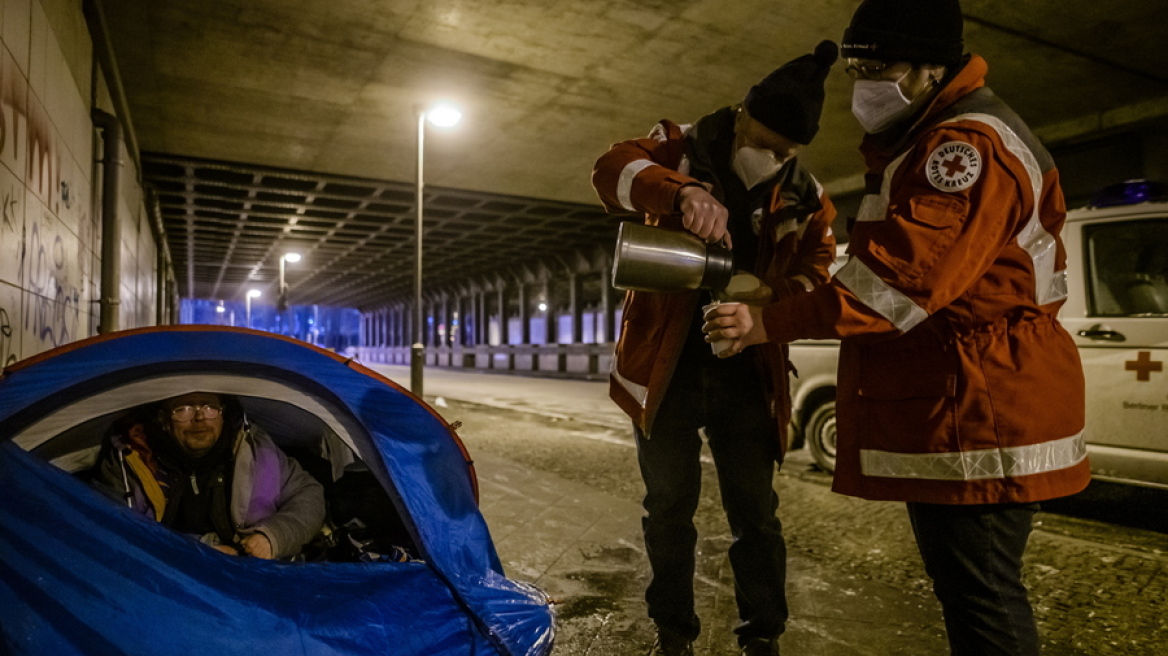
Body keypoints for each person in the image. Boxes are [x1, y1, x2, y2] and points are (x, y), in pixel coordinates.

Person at [702, 1, 1091, 654]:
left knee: (984, 598)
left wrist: (769, 322)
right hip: (964, 401)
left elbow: (893, 286)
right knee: (971, 592)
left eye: (878, 68)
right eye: (857, 68)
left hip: (982, 408)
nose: (864, 86)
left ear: (931, 68)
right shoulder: (928, 139)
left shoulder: (964, 150)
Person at [592, 42, 839, 656]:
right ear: (744, 115)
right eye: (770, 143)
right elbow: (611, 167)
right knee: (668, 508)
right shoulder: (677, 146)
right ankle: (672, 632)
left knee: (756, 515)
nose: (777, 159)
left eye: (789, 152)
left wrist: (769, 297)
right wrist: (679, 194)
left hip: (748, 371)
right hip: (668, 366)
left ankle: (763, 635)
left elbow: (819, 267)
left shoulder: (807, 197)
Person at [95, 391, 326, 560]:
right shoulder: (131, 458)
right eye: (183, 410)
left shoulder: (254, 451)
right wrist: (196, 552)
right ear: (164, 421)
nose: (199, 418)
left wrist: (274, 537)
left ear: (223, 415)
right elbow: (108, 532)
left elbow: (309, 496)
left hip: (247, 579)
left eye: (209, 407)